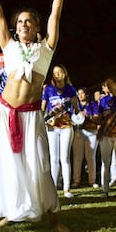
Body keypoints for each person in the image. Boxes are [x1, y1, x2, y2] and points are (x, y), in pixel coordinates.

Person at [0, 0, 76, 232]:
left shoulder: (46, 50)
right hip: (4, 112)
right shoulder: (8, 46)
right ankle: (11, 212)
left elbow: (55, 15)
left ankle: (54, 217)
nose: (24, 25)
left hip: (31, 116)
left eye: (29, 22)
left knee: (41, 166)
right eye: (20, 22)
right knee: (8, 166)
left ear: (36, 27)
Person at [42, 64, 78, 198]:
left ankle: (66, 189)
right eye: (55, 72)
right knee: (54, 158)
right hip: (52, 127)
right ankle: (53, 187)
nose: (57, 74)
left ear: (65, 73)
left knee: (65, 157)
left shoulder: (71, 89)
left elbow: (76, 109)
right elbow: (42, 108)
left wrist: (76, 112)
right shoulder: (48, 90)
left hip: (66, 126)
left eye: (60, 72)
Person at [71, 87, 99, 189]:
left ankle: (92, 180)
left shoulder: (93, 105)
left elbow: (97, 118)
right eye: (79, 94)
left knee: (90, 157)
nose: (80, 95)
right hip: (79, 132)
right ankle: (76, 180)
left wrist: (88, 116)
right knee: (77, 158)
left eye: (82, 93)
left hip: (91, 132)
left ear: (86, 94)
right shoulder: (75, 106)